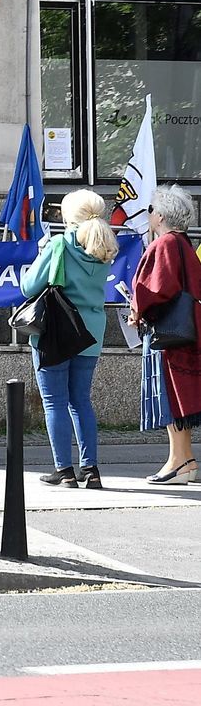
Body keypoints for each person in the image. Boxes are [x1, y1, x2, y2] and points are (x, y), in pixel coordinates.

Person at [21, 189, 118, 490]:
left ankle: (63, 470)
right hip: (91, 333)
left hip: (57, 332)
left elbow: (28, 286)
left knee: (55, 403)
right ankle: (91, 470)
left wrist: (41, 253)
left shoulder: (59, 244)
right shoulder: (103, 244)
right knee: (81, 402)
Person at [129, 184, 201, 485]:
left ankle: (178, 461)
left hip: (166, 334)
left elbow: (156, 288)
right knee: (180, 399)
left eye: (150, 210)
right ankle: (185, 460)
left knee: (171, 400)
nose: (149, 215)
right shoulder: (184, 243)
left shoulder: (163, 245)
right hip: (188, 330)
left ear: (160, 215)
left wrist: (137, 309)